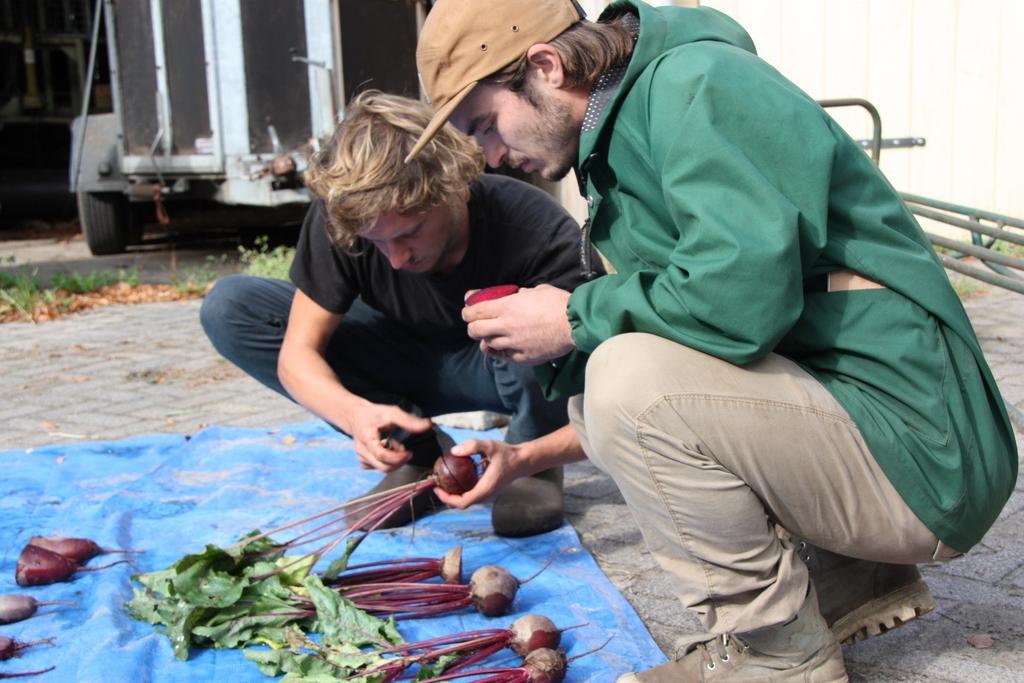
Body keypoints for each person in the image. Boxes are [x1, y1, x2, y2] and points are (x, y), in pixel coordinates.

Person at [408, 1, 1018, 680]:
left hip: (926, 455)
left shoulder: (697, 85)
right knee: (600, 393)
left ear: (546, 67)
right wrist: (542, 383)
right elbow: (698, 335)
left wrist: (575, 316)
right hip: (876, 425)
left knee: (628, 386)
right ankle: (853, 575)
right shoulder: (628, 125)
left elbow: (740, 300)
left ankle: (776, 654)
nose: (491, 156)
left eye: (486, 125)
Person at [200, 90, 601, 538]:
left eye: (410, 232)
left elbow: (604, 386)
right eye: (376, 242)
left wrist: (534, 455)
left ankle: (531, 460)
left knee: (532, 317)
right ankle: (421, 456)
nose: (395, 259)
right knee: (229, 307)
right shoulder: (348, 216)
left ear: (452, 189)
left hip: (497, 366)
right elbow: (298, 356)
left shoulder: (535, 229)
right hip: (403, 357)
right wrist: (355, 415)